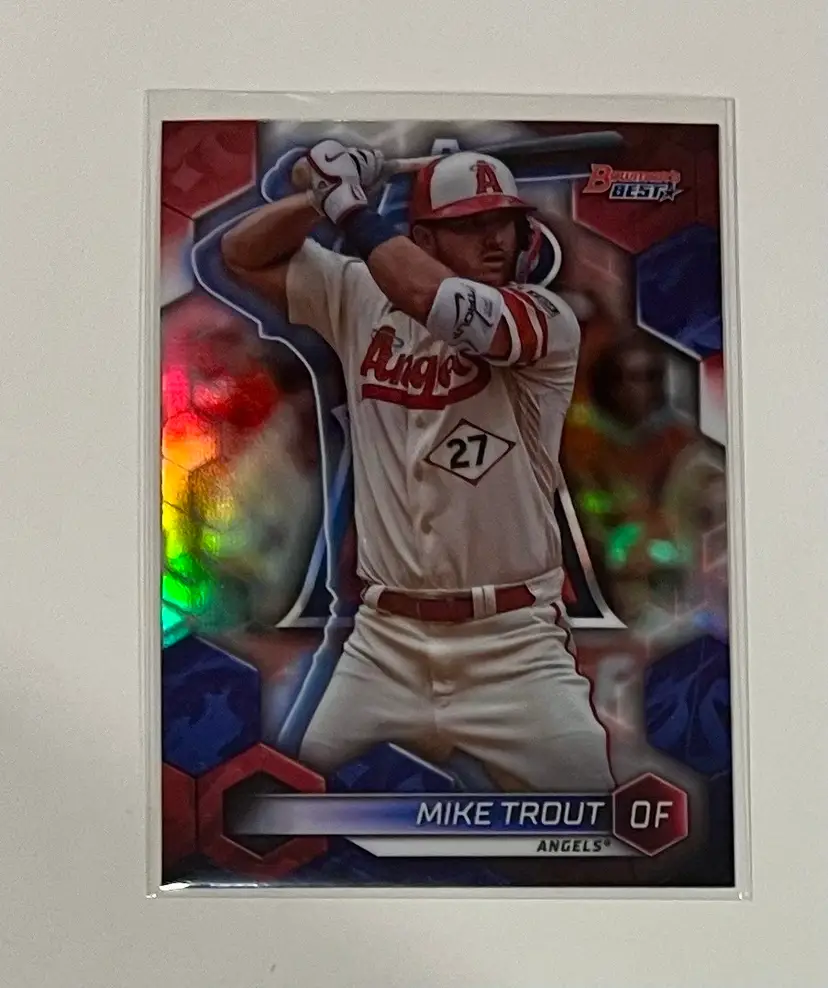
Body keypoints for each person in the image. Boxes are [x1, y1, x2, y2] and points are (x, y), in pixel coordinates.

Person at [219, 139, 614, 792]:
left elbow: (438, 300)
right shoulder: (357, 295)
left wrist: (348, 208)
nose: (494, 239)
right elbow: (241, 253)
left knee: (594, 830)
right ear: (423, 238)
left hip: (515, 647)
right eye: (469, 225)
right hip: (385, 644)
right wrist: (322, 195)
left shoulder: (545, 318)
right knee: (299, 818)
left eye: (504, 221)